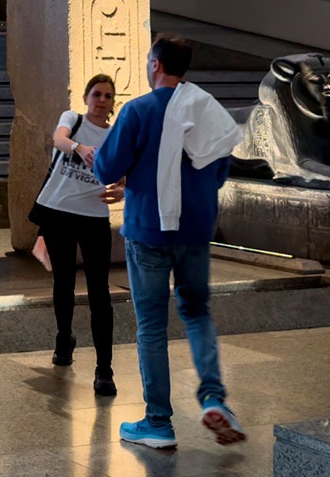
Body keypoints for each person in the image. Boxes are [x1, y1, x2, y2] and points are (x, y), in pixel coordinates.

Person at [81, 34, 246, 451]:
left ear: (155, 64)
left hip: (148, 230)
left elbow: (106, 168)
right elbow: (221, 167)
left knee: (152, 326)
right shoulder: (207, 110)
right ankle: (214, 398)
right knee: (196, 313)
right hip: (195, 230)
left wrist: (127, 172)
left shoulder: (138, 110)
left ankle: (158, 422)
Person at [29, 74, 123, 393]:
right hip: (58, 212)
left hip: (93, 215)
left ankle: (104, 369)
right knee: (64, 281)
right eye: (96, 94)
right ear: (86, 98)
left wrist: (122, 189)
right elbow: (59, 139)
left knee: (100, 291)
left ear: (112, 103)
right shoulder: (74, 119)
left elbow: (125, 173)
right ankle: (63, 337)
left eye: (108, 96)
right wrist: (79, 147)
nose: (101, 100)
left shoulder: (115, 134)